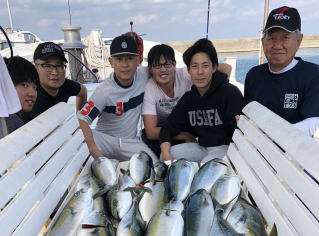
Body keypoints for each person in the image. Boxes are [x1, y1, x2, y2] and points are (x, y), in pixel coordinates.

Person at [159, 38, 244, 162]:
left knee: (206, 166)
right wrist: (166, 152)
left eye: (205, 66)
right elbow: (168, 127)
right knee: (166, 155)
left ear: (214, 68)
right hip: (203, 148)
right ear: (188, 70)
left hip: (226, 149)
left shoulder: (229, 93)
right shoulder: (189, 98)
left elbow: (240, 134)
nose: (199, 72)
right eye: (194, 66)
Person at [77, 34, 158, 162]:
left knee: (154, 164)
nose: (124, 64)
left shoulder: (144, 74)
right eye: (119, 59)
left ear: (138, 60)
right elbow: (82, 119)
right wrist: (95, 152)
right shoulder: (104, 91)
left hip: (130, 142)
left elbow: (166, 71)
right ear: (111, 62)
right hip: (104, 140)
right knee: (79, 144)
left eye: (130, 58)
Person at [142, 43, 232, 157]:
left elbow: (226, 68)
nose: (163, 69)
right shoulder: (150, 88)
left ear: (174, 65)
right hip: (168, 129)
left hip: (190, 124)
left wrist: (214, 94)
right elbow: (150, 132)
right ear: (150, 69)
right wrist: (182, 135)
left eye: (167, 64)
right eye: (157, 65)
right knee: (154, 146)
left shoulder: (184, 73)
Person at [244, 6, 319, 137]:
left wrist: (275, 135)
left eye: (285, 38)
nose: (277, 45)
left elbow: (313, 121)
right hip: (256, 151)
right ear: (263, 42)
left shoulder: (312, 74)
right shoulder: (253, 75)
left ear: (299, 40)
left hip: (294, 154)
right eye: (272, 38)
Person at [24, 42, 87, 121]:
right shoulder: (32, 99)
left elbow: (83, 91)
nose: (55, 72)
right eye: (47, 66)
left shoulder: (65, 85)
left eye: (59, 65)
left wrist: (81, 119)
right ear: (35, 68)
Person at [4, 56, 39, 133]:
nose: (32, 94)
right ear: (6, 85)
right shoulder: (10, 121)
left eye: (34, 87)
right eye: (24, 85)